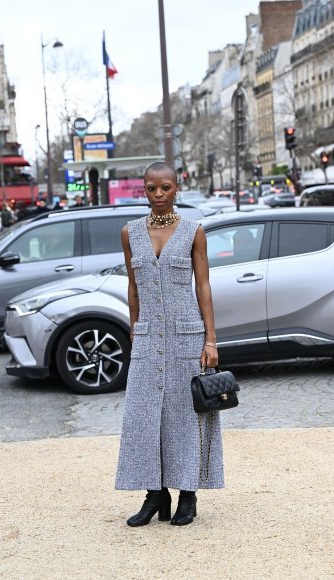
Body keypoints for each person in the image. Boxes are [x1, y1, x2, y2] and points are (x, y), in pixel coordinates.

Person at [115, 161, 223, 527]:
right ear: (143, 190)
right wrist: (135, 328)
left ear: (178, 187)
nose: (158, 195)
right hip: (148, 336)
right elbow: (133, 287)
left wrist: (210, 339)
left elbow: (203, 286)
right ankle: (155, 495)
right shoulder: (130, 233)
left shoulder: (194, 230)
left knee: (186, 416)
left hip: (187, 334)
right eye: (151, 188)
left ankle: (187, 496)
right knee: (145, 418)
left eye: (165, 188)